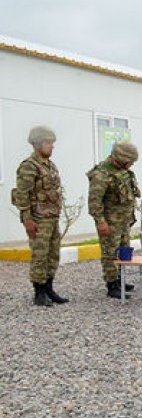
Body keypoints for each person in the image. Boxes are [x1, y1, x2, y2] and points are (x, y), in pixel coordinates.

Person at [12, 126, 68, 306]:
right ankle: (39, 292)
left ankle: (49, 288)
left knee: (52, 254)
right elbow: (22, 195)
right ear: (38, 144)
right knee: (40, 255)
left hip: (51, 217)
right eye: (48, 143)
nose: (52, 147)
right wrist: (27, 219)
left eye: (52, 143)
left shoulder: (50, 165)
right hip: (38, 219)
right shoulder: (29, 166)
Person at [87, 141, 141, 299]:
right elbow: (94, 202)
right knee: (110, 253)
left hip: (124, 221)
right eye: (130, 161)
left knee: (124, 252)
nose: (131, 165)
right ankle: (112, 284)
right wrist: (100, 222)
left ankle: (121, 280)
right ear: (121, 158)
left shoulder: (123, 171)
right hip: (110, 223)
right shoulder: (102, 174)